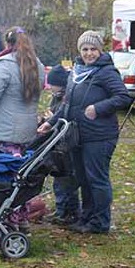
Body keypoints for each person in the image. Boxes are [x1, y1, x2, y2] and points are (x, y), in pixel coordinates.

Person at [38, 30, 133, 233]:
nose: (89, 53)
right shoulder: (77, 71)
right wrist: (52, 122)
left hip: (99, 136)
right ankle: (87, 217)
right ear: (79, 51)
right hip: (78, 135)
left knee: (97, 179)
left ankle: (100, 222)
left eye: (93, 49)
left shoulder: (107, 72)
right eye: (85, 49)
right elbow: (67, 104)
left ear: (100, 50)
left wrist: (98, 108)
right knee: (82, 178)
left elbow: (123, 97)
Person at [0, 27, 45, 154]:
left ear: (7, 43)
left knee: (4, 168)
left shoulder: (5, 63)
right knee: (21, 169)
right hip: (28, 131)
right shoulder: (38, 66)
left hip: (4, 133)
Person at [43, 64, 80, 225]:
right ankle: (63, 209)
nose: (50, 87)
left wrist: (52, 118)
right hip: (57, 143)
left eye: (52, 84)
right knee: (60, 179)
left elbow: (65, 118)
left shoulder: (67, 99)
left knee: (66, 180)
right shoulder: (56, 97)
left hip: (65, 144)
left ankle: (67, 211)